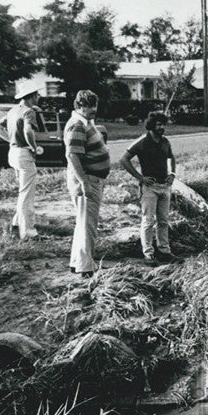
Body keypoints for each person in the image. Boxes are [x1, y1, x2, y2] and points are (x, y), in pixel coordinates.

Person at [63, 89, 110, 277]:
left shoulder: (84, 123)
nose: (93, 109)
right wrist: (84, 182)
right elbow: (73, 155)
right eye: (89, 105)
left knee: (83, 223)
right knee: (88, 224)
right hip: (87, 179)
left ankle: (78, 262)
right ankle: (86, 267)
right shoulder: (77, 125)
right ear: (79, 105)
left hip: (90, 178)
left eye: (95, 105)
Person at [119, 111, 176, 264]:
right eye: (158, 124)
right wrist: (140, 178)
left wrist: (172, 173)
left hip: (165, 186)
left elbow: (171, 157)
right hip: (150, 188)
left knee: (164, 221)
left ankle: (164, 251)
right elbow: (123, 159)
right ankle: (148, 254)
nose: (162, 127)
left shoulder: (165, 142)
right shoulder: (142, 141)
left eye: (163, 124)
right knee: (148, 221)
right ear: (151, 125)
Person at [0, 87, 44, 239]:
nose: (38, 97)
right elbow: (28, 131)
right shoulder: (29, 112)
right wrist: (33, 148)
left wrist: (12, 140)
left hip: (13, 152)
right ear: (32, 96)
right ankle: (28, 232)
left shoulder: (13, 110)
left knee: (23, 191)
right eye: (37, 95)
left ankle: (16, 225)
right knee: (27, 194)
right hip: (23, 153)